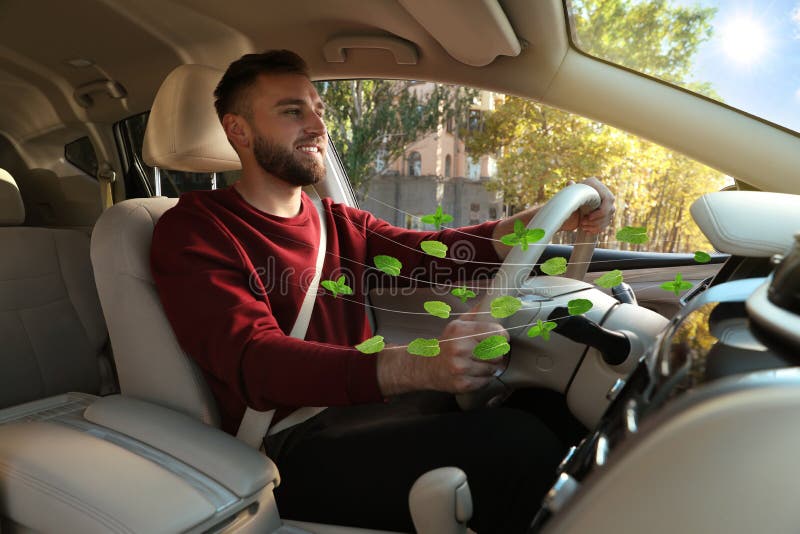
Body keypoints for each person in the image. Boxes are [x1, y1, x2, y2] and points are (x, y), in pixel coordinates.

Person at [151, 50, 615, 534]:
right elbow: (255, 358)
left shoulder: (336, 221)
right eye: (292, 111)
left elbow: (435, 254)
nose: (316, 125)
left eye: (318, 110)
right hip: (294, 445)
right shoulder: (194, 229)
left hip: (368, 414)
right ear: (238, 131)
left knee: (549, 407)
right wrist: (419, 365)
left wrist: (541, 219)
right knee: (520, 444)